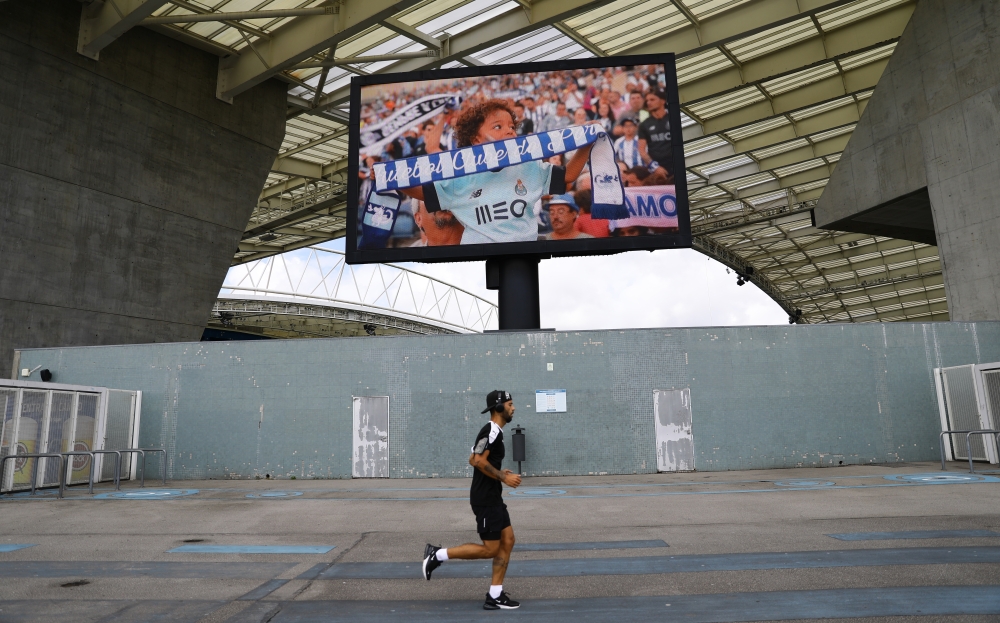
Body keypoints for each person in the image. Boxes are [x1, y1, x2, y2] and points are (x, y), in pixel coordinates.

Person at [400, 100, 593, 245]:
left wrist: (587, 145)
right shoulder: (460, 176)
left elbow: (568, 176)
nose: (509, 131)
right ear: (476, 140)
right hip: (476, 261)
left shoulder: (529, 166)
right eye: (498, 127)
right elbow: (422, 193)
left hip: (523, 256)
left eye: (512, 126)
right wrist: (392, 179)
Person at [422, 391, 522, 611]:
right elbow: (477, 460)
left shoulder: (494, 432)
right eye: (510, 404)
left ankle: (495, 595)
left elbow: (472, 458)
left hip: (492, 495)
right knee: (491, 549)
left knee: (508, 540)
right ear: (499, 408)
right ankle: (437, 554)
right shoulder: (490, 431)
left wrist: (496, 471)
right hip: (485, 498)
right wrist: (503, 476)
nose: (513, 408)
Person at [638, 90, 673, 180]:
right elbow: (642, 150)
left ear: (663, 101)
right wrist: (655, 167)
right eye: (647, 100)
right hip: (657, 169)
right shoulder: (644, 124)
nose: (649, 102)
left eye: (652, 100)